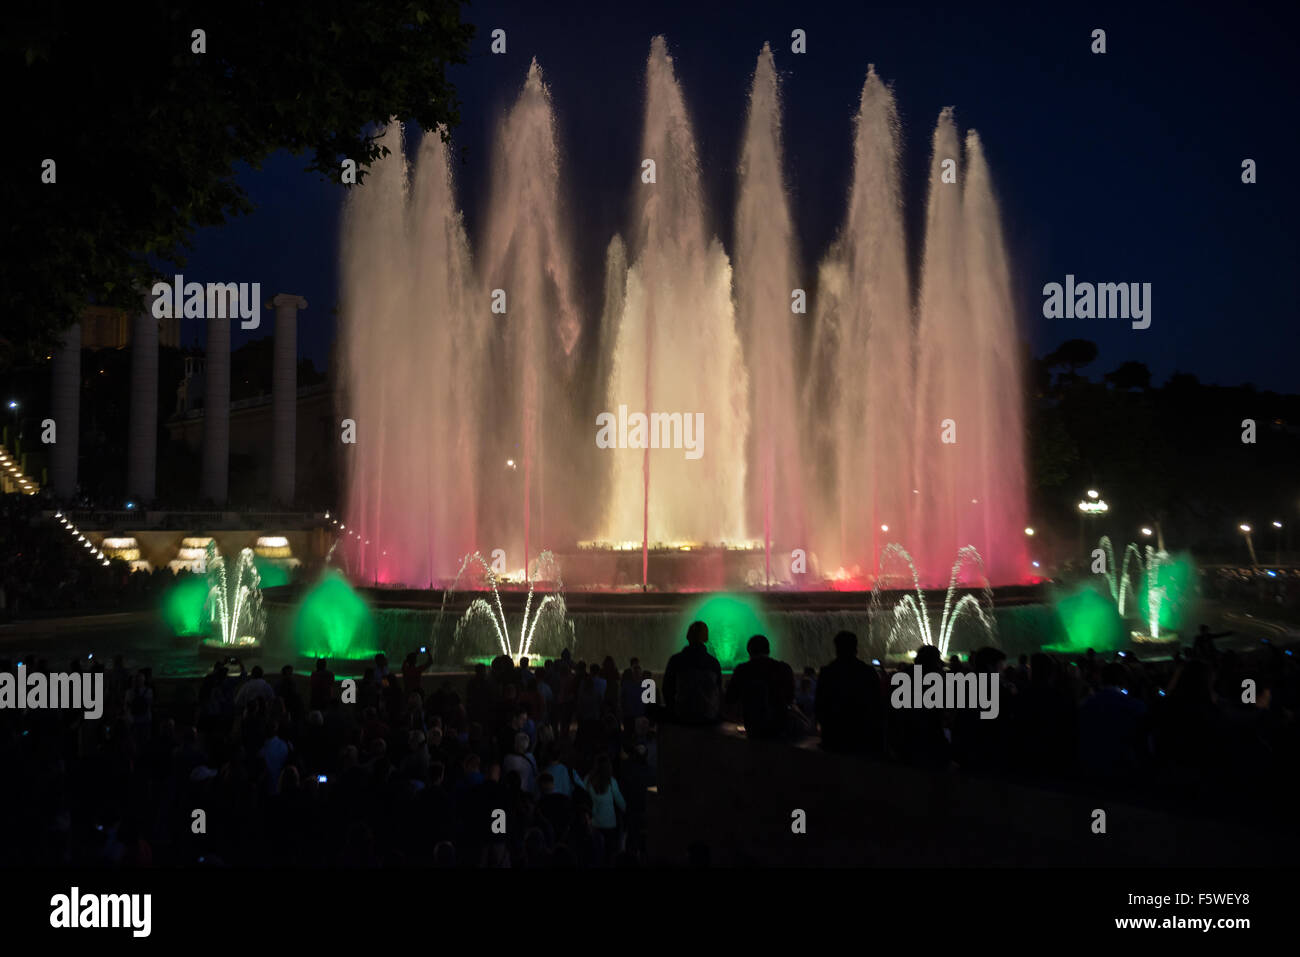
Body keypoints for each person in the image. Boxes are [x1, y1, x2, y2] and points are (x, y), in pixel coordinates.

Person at [815, 631, 885, 754]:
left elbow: (819, 704)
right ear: (855, 648)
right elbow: (877, 704)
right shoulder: (867, 672)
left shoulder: (827, 673)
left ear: (836, 648)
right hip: (862, 736)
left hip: (834, 736)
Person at [724, 635, 795, 738]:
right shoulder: (784, 668)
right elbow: (790, 698)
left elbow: (730, 698)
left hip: (753, 725)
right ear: (768, 650)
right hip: (779, 725)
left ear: (749, 651)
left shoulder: (742, 670)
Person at [662, 621, 723, 725]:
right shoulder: (713, 662)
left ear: (688, 636)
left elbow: (667, 689)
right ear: (706, 638)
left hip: (683, 715)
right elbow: (718, 691)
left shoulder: (676, 660)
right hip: (708, 716)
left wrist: (673, 711)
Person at [575, 754, 625, 864]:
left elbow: (584, 798)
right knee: (608, 855)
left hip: (593, 823)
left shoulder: (588, 779)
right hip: (609, 824)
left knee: (595, 855)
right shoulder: (611, 781)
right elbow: (620, 802)